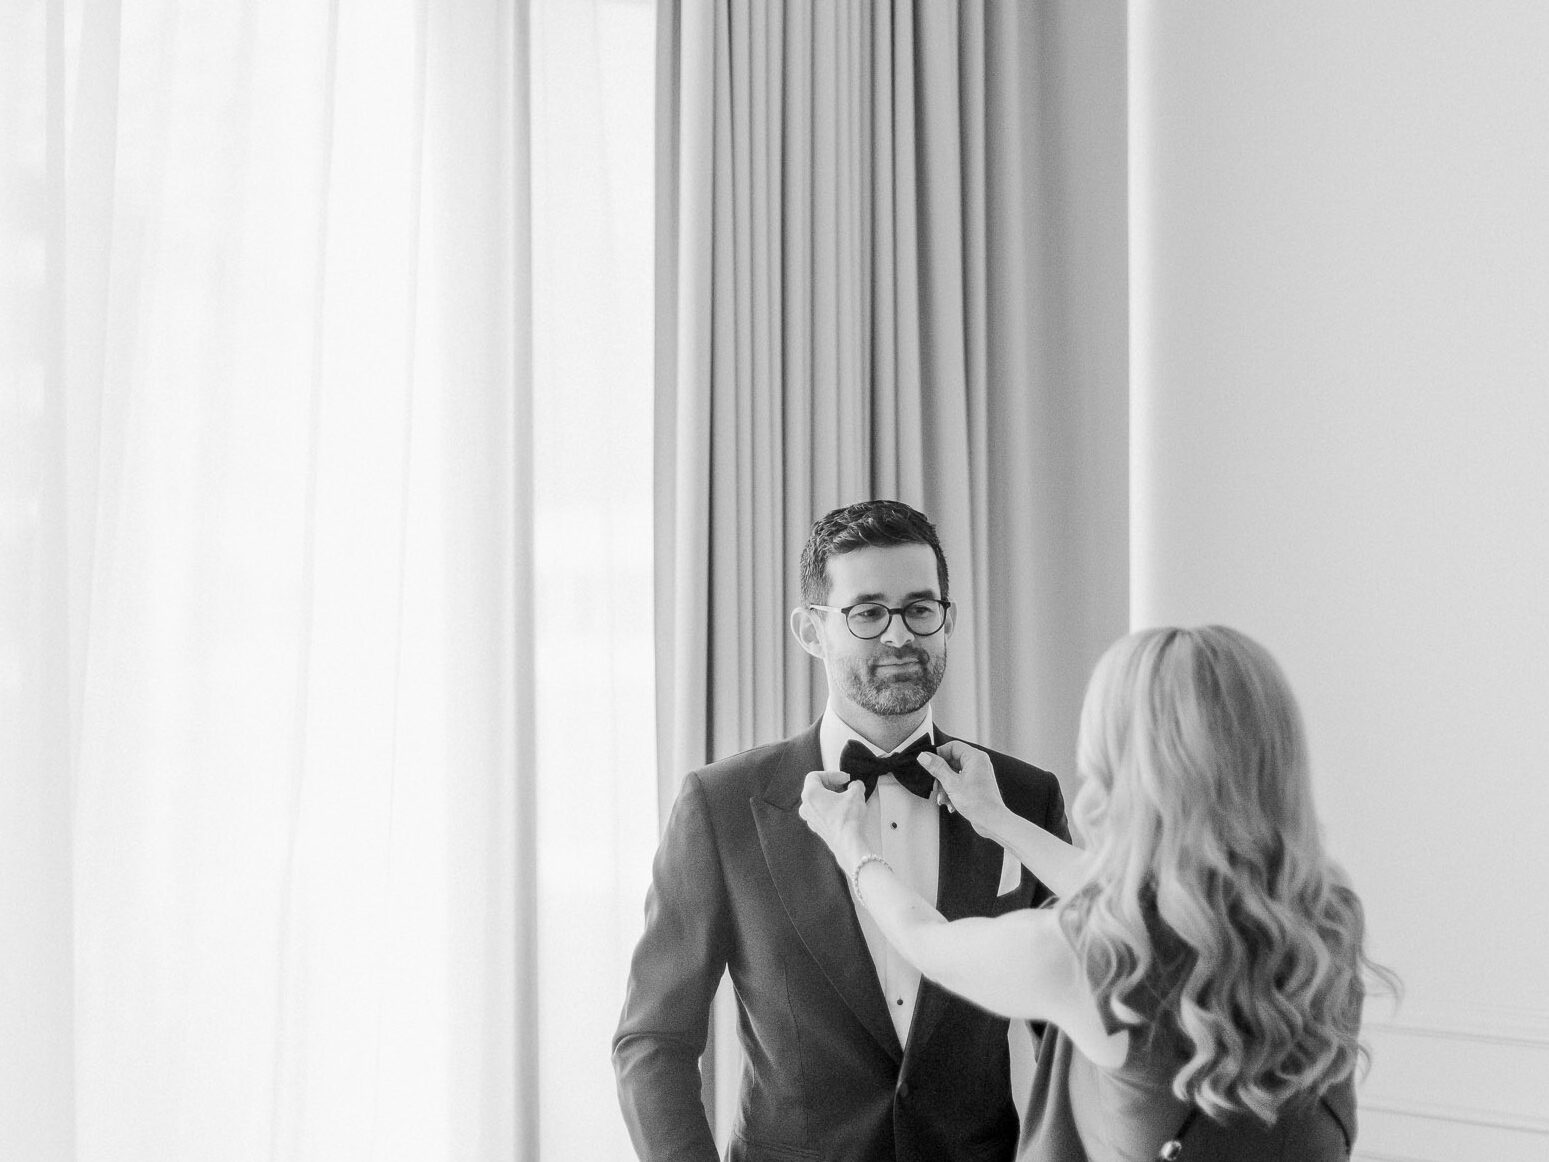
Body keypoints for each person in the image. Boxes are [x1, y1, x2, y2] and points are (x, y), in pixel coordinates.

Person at [801, 625, 1393, 1161]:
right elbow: (1147, 901)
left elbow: (925, 940)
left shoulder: (1084, 955)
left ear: (1124, 767)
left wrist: (852, 846)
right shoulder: (1327, 919)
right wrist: (999, 819)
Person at [613, 500, 1070, 1162]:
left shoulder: (1022, 798)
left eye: (919, 608)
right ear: (811, 630)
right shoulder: (721, 806)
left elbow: (1067, 1029)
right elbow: (652, 1040)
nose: (898, 636)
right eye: (866, 613)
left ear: (948, 619)